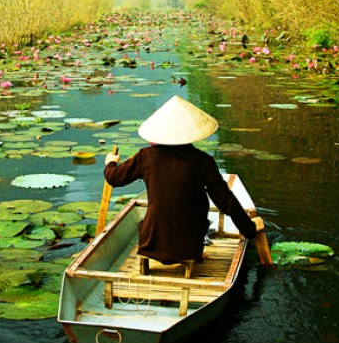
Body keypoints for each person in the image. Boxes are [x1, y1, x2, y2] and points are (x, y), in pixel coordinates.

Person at [104, 95, 258, 265]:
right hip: (189, 244)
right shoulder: (203, 161)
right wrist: (248, 229)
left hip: (152, 242)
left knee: (153, 217)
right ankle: (193, 251)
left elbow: (114, 178)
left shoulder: (145, 157)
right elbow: (225, 200)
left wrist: (111, 162)